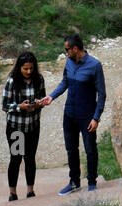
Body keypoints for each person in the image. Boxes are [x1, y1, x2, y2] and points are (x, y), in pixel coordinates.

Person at [40, 32, 107, 195]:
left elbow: (102, 94)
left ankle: (92, 183)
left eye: (67, 49)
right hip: (69, 114)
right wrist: (51, 97)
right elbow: (65, 82)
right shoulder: (69, 63)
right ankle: (74, 182)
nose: (65, 53)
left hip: (87, 116)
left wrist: (96, 118)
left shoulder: (94, 66)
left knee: (90, 149)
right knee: (71, 149)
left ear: (75, 49)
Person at [2, 50, 46, 202]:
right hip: (16, 128)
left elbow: (42, 99)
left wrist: (38, 104)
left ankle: (30, 191)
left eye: (31, 68)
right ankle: (12, 193)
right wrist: (19, 107)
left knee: (30, 158)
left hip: (33, 127)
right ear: (19, 67)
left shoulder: (39, 79)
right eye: (25, 69)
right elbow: (5, 105)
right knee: (16, 158)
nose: (28, 71)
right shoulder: (12, 82)